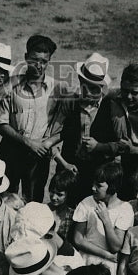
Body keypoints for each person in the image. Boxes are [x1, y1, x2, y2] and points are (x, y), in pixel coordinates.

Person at [0, 34, 61, 203]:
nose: (38, 66)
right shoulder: (11, 86)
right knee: (4, 199)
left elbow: (64, 127)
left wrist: (44, 144)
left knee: (32, 201)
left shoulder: (57, 89)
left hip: (38, 155)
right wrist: (27, 142)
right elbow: (1, 124)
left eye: (44, 61)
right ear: (26, 57)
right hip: (11, 150)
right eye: (34, 59)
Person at [51, 52, 114, 203]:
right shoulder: (70, 102)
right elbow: (51, 138)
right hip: (69, 170)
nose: (89, 92)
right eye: (85, 86)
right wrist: (63, 163)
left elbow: (118, 146)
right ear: (79, 80)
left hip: (96, 175)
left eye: (94, 88)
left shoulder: (110, 106)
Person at [91, 63, 138, 199]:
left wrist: (134, 150)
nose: (129, 96)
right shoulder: (112, 97)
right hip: (116, 154)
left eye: (135, 93)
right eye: (125, 90)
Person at [71, 162, 134, 275]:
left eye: (99, 186)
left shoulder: (125, 209)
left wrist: (105, 219)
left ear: (112, 187)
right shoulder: (87, 203)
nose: (93, 188)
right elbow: (78, 239)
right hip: (86, 261)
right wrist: (105, 254)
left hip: (107, 268)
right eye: (94, 183)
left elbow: (115, 246)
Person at [47, 168, 77, 256]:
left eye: (59, 194)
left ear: (69, 195)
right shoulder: (43, 210)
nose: (53, 197)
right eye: (52, 192)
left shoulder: (72, 216)